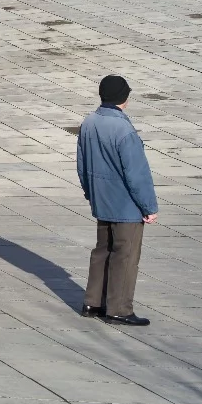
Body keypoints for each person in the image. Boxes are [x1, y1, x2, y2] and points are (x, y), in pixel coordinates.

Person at [76, 75, 157, 326]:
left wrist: (91, 194)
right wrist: (149, 207)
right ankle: (119, 308)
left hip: (102, 201)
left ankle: (93, 302)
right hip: (126, 206)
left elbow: (82, 165)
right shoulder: (124, 130)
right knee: (125, 255)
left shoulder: (89, 122)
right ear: (125, 98)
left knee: (102, 251)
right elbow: (137, 174)